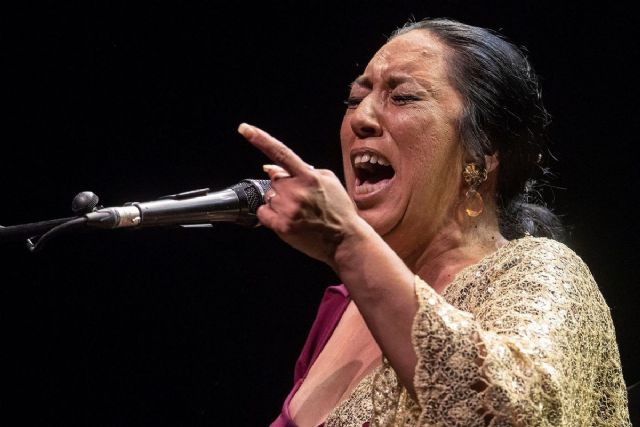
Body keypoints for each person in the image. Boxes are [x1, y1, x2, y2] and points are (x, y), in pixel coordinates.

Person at [238, 18, 631, 427]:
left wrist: (347, 244)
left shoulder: (541, 271)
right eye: (355, 99)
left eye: (403, 97)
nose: (361, 118)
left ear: (483, 150)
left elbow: (510, 416)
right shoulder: (344, 306)